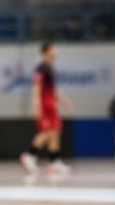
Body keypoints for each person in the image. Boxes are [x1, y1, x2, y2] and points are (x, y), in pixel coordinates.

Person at [20, 41, 74, 175]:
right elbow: (36, 87)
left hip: (51, 104)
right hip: (44, 105)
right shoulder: (41, 68)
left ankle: (54, 161)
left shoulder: (50, 67)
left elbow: (52, 90)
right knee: (46, 132)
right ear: (47, 51)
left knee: (56, 131)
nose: (57, 51)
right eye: (54, 49)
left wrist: (63, 100)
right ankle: (29, 156)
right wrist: (36, 105)